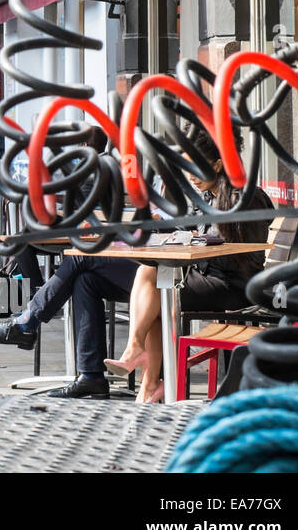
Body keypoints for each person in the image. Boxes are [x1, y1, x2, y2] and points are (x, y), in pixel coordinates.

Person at [105, 130, 274, 401]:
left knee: (154, 287)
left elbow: (241, 254)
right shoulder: (209, 196)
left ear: (218, 164)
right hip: (208, 276)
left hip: (234, 285)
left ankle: (140, 363)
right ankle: (149, 382)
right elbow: (191, 229)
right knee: (152, 285)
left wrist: (195, 243)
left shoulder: (246, 196)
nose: (191, 175)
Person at [0, 246, 138, 399]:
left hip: (153, 269)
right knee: (85, 280)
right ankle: (91, 376)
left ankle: (26, 323)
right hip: (138, 262)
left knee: (80, 255)